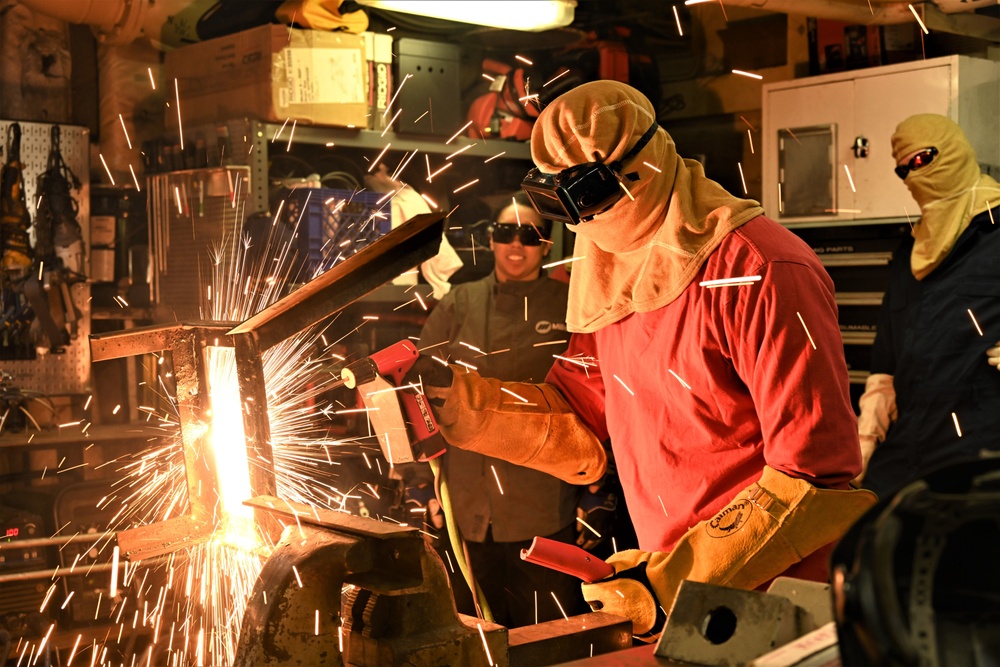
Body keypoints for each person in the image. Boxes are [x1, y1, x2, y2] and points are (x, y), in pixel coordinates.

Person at [411, 81, 876, 639]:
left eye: (587, 199)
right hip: (674, 581)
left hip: (777, 590)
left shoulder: (761, 268)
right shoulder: (610, 266)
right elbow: (579, 412)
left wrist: (680, 576)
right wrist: (457, 401)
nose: (582, 225)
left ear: (642, 171)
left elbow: (814, 478)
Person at [414, 194, 587, 628]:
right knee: (472, 636)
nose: (515, 244)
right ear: (491, 241)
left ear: (547, 246)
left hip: (544, 506)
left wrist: (594, 495)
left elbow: (593, 400)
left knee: (547, 635)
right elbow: (416, 393)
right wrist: (428, 486)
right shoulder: (458, 303)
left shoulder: (570, 308)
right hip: (466, 502)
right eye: (505, 232)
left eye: (529, 236)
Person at [856, 114, 1000, 497]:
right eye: (903, 170)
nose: (912, 176)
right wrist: (866, 440)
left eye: (922, 160)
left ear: (953, 151)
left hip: (980, 453)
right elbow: (884, 366)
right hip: (907, 450)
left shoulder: (997, 231)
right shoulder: (911, 252)